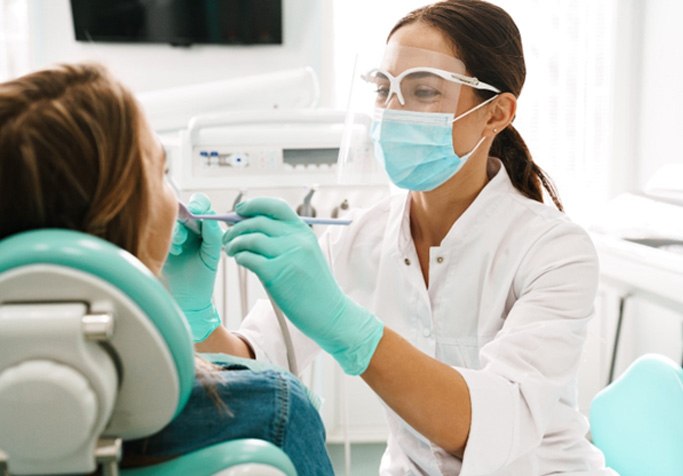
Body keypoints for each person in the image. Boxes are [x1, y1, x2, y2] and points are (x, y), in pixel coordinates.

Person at [189, 1, 616, 474]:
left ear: (497, 113)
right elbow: (253, 367)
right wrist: (194, 315)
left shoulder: (555, 251)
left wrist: (348, 329)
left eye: (424, 91)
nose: (393, 111)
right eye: (383, 88)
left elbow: (487, 425)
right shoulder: (359, 238)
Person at [0, 62, 334, 475]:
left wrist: (199, 324)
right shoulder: (272, 413)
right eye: (162, 172)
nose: (176, 202)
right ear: (126, 214)